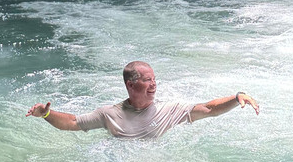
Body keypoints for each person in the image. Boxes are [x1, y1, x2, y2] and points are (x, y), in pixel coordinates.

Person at [26, 60, 260, 140]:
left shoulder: (170, 110)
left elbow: (208, 109)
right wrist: (46, 114)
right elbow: (72, 122)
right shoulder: (110, 114)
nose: (154, 84)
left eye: (155, 79)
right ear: (130, 85)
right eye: (147, 80)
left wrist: (236, 97)